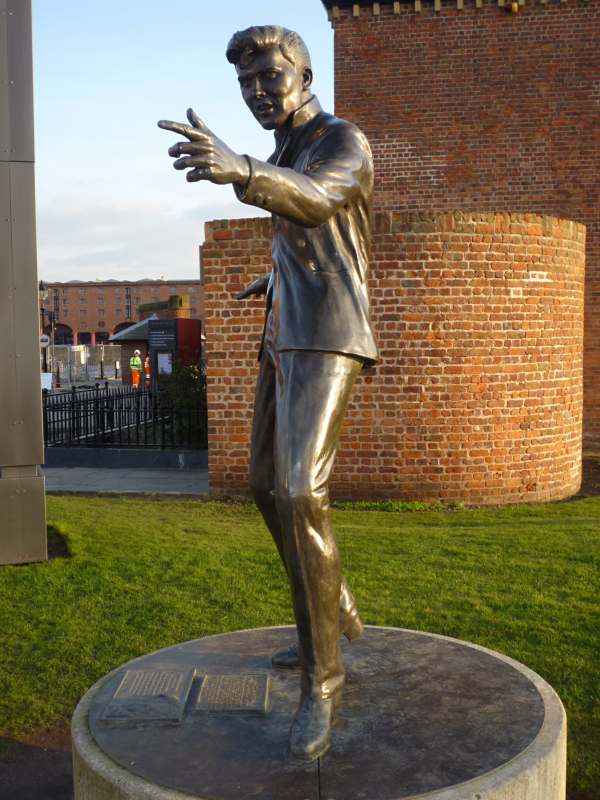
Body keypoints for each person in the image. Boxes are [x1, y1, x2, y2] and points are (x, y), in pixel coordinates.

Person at [159, 25, 377, 761]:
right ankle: (334, 606)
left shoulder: (341, 140)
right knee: (262, 484)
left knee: (300, 491)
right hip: (283, 326)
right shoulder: (284, 147)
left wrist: (240, 169)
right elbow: (302, 237)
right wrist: (275, 276)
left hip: (329, 335)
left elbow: (317, 203)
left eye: (269, 81)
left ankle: (324, 681)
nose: (257, 94)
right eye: (246, 85)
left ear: (305, 74)